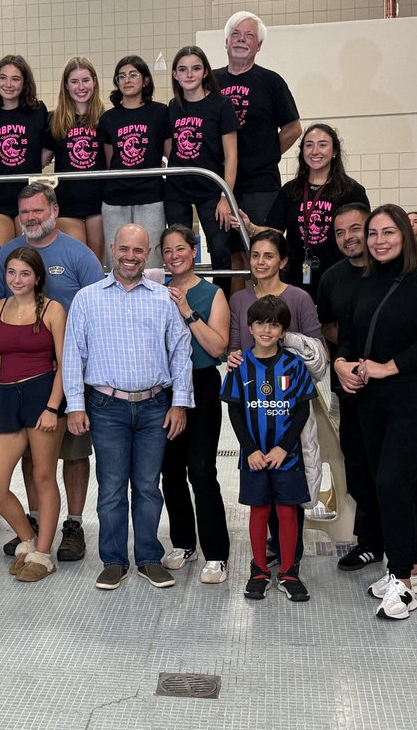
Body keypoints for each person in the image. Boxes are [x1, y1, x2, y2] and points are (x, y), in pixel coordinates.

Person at [63, 224, 193, 591]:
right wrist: (75, 406)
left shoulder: (164, 298)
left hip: (154, 406)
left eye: (138, 251)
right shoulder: (87, 299)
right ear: (111, 249)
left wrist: (179, 402)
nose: (130, 257)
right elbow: (73, 355)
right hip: (106, 406)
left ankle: (149, 558)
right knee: (112, 488)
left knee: (150, 487)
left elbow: (180, 353)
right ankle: (114, 560)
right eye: (124, 249)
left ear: (148, 252)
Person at [335, 204, 417, 621]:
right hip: (370, 400)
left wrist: (390, 366)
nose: (379, 241)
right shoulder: (364, 283)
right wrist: (342, 365)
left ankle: (402, 581)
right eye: (373, 234)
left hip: (413, 399)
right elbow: (347, 338)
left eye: (389, 233)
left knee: (392, 481)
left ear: (407, 236)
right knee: (396, 479)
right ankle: (412, 565)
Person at [0, 181, 104, 561]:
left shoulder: (79, 255)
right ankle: (35, 520)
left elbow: (98, 311)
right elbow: (1, 307)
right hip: (21, 378)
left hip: (69, 374)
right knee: (29, 458)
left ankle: (72, 523)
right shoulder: (6, 254)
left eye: (38, 211)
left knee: (72, 454)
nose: (31, 218)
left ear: (54, 210)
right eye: (25, 213)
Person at [227, 228, 322, 570]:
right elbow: (235, 346)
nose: (260, 262)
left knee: (290, 477)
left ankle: (290, 555)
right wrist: (235, 358)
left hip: (291, 397)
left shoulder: (298, 298)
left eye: (268, 256)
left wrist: (287, 346)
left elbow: (317, 353)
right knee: (261, 483)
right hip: (254, 399)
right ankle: (271, 545)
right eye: (255, 255)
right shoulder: (239, 299)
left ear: (283, 261)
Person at [223, 295, 316, 602]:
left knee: (287, 511)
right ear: (250, 327)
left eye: (274, 324)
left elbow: (302, 410)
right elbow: (235, 411)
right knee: (259, 511)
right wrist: (249, 449)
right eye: (261, 323)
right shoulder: (239, 367)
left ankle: (289, 572)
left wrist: (283, 449)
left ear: (283, 330)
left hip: (286, 457)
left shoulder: (295, 366)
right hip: (254, 457)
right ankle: (259, 570)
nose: (266, 330)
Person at [0, 247, 66, 582]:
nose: (17, 280)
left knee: (43, 478)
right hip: (7, 397)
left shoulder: (52, 310)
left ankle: (44, 554)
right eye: (12, 273)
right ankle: (27, 539)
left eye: (24, 273)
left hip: (41, 394)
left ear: (37, 277)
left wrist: (51, 407)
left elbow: (65, 363)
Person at [158, 225, 230, 584]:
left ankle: (216, 553)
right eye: (167, 251)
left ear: (194, 250)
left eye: (180, 249)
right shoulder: (156, 290)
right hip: (167, 388)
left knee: (201, 471)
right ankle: (183, 542)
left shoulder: (212, 293)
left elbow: (218, 348)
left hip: (201, 384)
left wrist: (186, 310)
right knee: (170, 470)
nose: (174, 256)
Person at [316, 203, 383, 573]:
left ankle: (415, 549)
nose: (348, 238)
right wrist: (347, 358)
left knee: (398, 468)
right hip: (349, 384)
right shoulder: (332, 278)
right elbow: (326, 325)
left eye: (355, 229)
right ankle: (370, 541)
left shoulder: (391, 272)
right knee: (357, 464)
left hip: (392, 383)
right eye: (339, 233)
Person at [214, 11, 302, 292]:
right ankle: (234, 318)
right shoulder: (210, 82)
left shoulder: (271, 82)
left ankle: (263, 314)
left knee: (260, 253)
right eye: (236, 34)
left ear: (259, 46)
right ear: (226, 42)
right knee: (228, 256)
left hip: (261, 186)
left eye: (249, 35)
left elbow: (293, 128)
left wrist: (266, 154)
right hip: (219, 187)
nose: (241, 40)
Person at [262, 123, 369, 301]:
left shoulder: (351, 190)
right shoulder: (291, 190)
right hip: (297, 276)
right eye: (309, 145)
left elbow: (365, 235)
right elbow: (272, 231)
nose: (315, 151)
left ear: (334, 151)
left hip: (340, 276)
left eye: (322, 144)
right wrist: (249, 226)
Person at [164, 45, 238, 281]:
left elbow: (232, 155)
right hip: (177, 189)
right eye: (183, 69)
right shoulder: (173, 106)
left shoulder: (221, 104)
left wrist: (226, 196)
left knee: (219, 250)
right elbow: (170, 147)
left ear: (205, 72)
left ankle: (220, 306)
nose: (189, 74)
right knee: (178, 249)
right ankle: (182, 298)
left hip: (211, 191)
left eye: (195, 68)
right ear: (175, 74)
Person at [99, 55, 170, 268]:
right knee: (118, 260)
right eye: (121, 76)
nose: (127, 80)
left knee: (150, 258)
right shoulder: (108, 118)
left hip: (151, 195)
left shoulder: (160, 112)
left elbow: (170, 152)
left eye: (133, 75)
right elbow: (111, 160)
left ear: (145, 80)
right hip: (115, 198)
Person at [0, 55, 50, 255]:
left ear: (25, 82)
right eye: (3, 77)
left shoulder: (37, 110)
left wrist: (34, 163)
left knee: (31, 260)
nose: (8, 84)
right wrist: (0, 161)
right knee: (0, 260)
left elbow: (47, 147)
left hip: (30, 198)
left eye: (15, 79)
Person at [45, 56, 106, 262]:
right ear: (66, 86)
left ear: (94, 82)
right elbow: (39, 158)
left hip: (98, 201)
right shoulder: (54, 120)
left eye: (86, 80)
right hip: (68, 203)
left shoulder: (105, 119)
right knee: (78, 262)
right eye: (74, 81)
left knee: (97, 265)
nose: (81, 87)